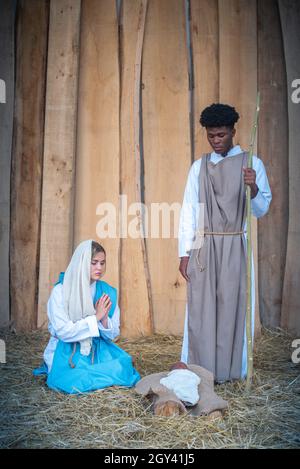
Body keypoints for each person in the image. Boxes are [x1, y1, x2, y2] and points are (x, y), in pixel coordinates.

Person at [178, 103, 272, 383]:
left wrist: (253, 187)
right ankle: (200, 370)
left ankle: (234, 370)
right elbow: (189, 212)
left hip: (235, 246)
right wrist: (185, 253)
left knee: (234, 305)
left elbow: (261, 209)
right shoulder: (199, 167)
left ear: (233, 131)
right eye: (211, 136)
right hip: (204, 246)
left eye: (221, 134)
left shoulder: (252, 163)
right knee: (201, 308)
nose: (216, 140)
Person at [33, 239, 140, 393]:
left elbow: (113, 334)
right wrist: (96, 317)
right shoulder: (61, 291)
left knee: (123, 369)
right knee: (75, 381)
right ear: (82, 262)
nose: (99, 268)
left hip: (96, 349)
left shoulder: (106, 292)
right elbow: (63, 332)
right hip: (65, 350)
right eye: (94, 262)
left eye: (102, 263)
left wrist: (104, 319)